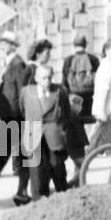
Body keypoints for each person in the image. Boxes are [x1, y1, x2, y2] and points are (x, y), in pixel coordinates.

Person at [0, 31, 34, 205]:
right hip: (9, 116)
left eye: (5, 43)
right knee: (4, 152)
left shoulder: (17, 64)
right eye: (1, 43)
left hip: (14, 116)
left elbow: (22, 91)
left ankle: (20, 191)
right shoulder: (10, 63)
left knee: (14, 154)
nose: (2, 46)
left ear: (12, 46)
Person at [22, 62, 70, 200]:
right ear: (36, 78)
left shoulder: (59, 91)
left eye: (49, 77)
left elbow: (66, 112)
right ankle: (38, 198)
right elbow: (22, 109)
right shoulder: (26, 92)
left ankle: (62, 194)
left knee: (57, 165)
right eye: (44, 78)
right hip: (34, 131)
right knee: (36, 167)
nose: (47, 81)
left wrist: (60, 128)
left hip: (53, 131)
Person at [61, 35, 99, 182]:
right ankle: (79, 172)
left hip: (74, 102)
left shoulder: (69, 60)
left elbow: (64, 83)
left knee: (75, 134)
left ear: (74, 45)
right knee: (81, 136)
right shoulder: (94, 60)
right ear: (86, 44)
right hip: (89, 102)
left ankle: (77, 172)